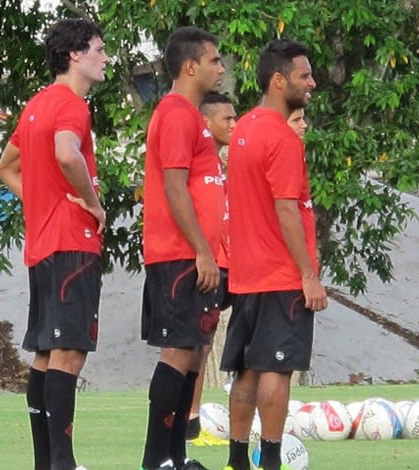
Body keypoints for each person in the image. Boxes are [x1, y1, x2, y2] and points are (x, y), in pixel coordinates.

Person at [0, 18, 108, 470]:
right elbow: (66, 152)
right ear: (75, 54)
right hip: (71, 242)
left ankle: (47, 463)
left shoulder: (35, 105)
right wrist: (92, 204)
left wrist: (41, 202)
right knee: (69, 351)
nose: (105, 57)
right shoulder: (71, 105)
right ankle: (63, 463)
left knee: (47, 353)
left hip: (43, 244)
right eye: (99, 49)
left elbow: (6, 167)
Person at [221, 39, 327, 470]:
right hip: (280, 274)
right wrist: (308, 274)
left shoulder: (243, 127)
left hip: (245, 275)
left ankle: (236, 459)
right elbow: (286, 210)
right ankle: (270, 461)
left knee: (246, 368)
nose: (312, 83)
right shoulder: (282, 137)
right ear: (279, 80)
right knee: (275, 370)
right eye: (305, 75)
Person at [140, 26, 226, 470]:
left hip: (194, 255)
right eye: (214, 60)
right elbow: (174, 186)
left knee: (192, 350)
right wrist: (201, 250)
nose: (221, 68)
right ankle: (156, 459)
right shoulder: (174, 113)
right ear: (190, 66)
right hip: (177, 255)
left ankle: (176, 454)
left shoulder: (193, 116)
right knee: (176, 352)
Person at [185, 92, 237, 442]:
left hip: (228, 264)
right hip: (205, 265)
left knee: (203, 345)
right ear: (206, 124)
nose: (234, 125)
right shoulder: (196, 165)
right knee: (194, 346)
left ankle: (191, 420)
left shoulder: (221, 165)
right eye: (227, 119)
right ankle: (187, 423)